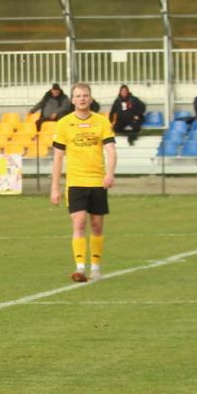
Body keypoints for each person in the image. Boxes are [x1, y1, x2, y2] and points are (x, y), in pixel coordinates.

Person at [49, 83, 116, 283]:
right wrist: (55, 187)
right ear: (72, 100)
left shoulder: (101, 122)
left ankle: (95, 267)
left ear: (91, 98)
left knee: (96, 225)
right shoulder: (64, 123)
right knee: (78, 223)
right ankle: (79, 268)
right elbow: (58, 157)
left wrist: (110, 173)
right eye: (78, 96)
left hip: (97, 181)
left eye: (85, 95)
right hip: (75, 182)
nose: (82, 99)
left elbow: (111, 150)